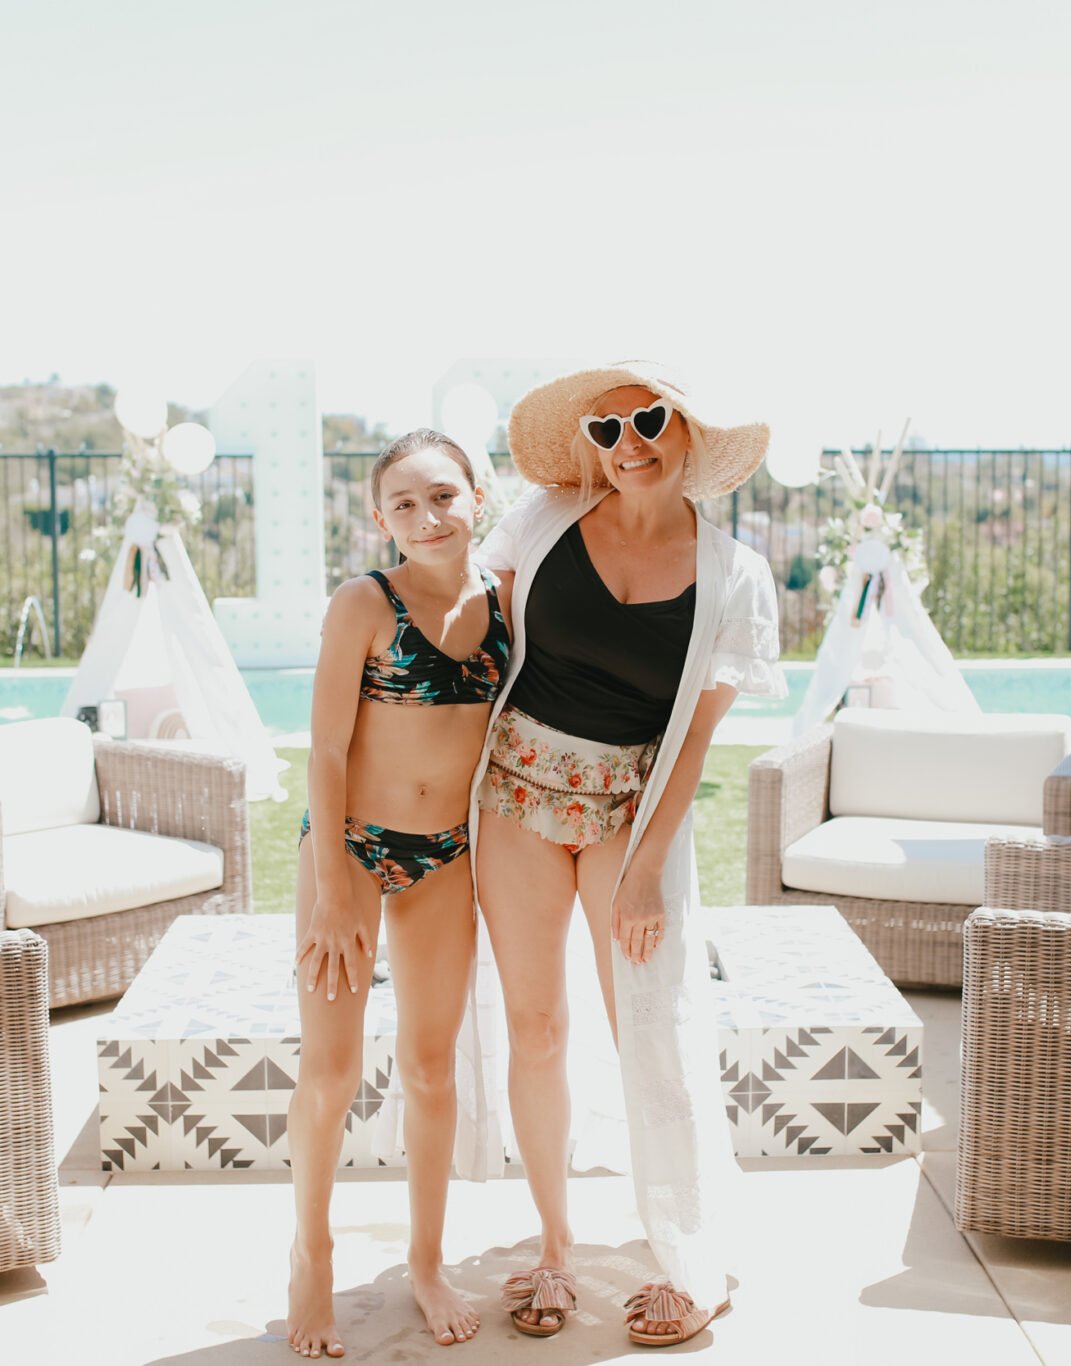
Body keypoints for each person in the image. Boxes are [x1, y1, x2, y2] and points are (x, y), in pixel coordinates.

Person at [471, 365, 784, 1347]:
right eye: (606, 428)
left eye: (647, 419)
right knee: (535, 1024)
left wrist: (645, 863)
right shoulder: (542, 521)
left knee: (648, 1023)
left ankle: (684, 1258)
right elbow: (478, 644)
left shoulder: (735, 575)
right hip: (513, 794)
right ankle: (554, 1248)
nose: (627, 442)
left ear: (686, 431)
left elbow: (692, 737)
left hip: (626, 811)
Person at [286, 429, 511, 1359]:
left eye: (444, 496)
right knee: (332, 1069)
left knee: (430, 1070)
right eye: (405, 504)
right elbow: (327, 750)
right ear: (380, 518)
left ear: (477, 499)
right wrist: (333, 887)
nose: (428, 516)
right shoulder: (363, 604)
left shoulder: (507, 604)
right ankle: (312, 1252)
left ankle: (426, 1263)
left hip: (447, 856)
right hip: (350, 852)